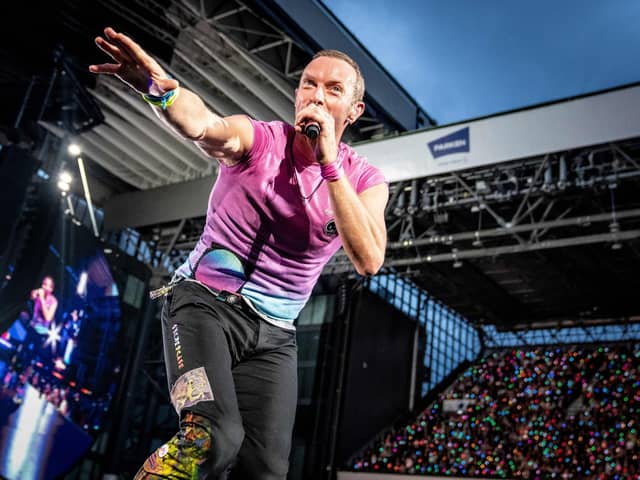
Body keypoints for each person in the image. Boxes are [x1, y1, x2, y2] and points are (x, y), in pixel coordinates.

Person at [90, 26, 389, 480]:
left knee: (266, 470)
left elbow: (369, 259)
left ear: (354, 110)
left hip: (275, 336)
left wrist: (329, 163)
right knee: (212, 437)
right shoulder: (261, 140)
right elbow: (206, 125)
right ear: (296, 94)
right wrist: (160, 91)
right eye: (309, 83)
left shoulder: (362, 179)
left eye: (333, 89)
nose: (317, 95)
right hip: (203, 305)